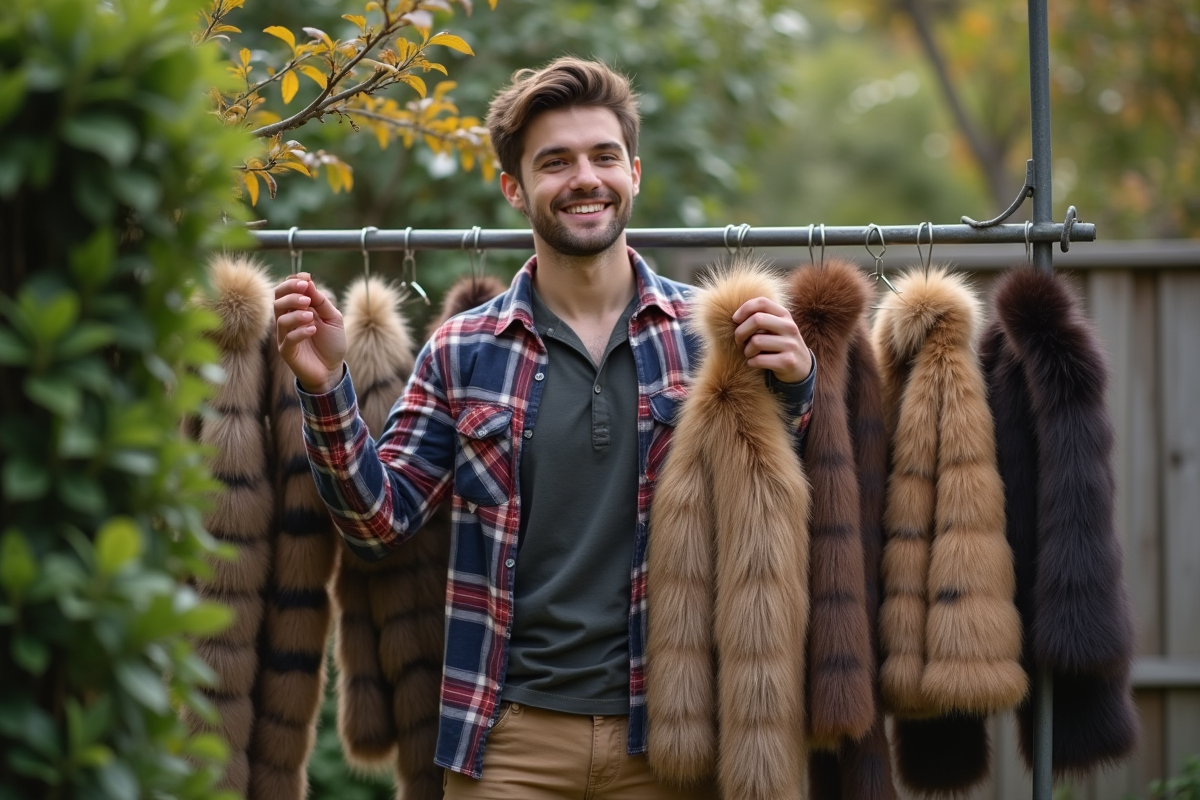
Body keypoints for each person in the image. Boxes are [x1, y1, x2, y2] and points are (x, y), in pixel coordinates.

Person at [273, 57, 815, 799]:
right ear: (514, 187)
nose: (584, 179)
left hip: (671, 742)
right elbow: (379, 523)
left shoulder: (709, 336)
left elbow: (784, 510)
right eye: (554, 162)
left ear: (634, 172)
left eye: (602, 156)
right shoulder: (463, 350)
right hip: (509, 745)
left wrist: (799, 385)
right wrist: (326, 385)